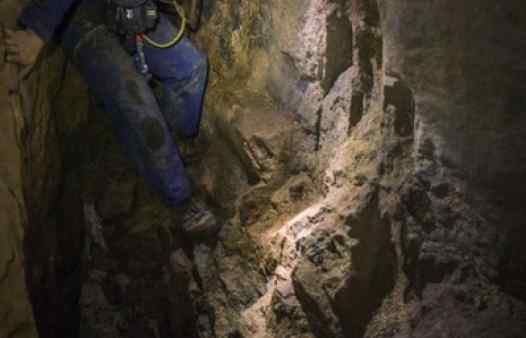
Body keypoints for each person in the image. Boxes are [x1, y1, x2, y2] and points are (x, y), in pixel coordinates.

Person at [5, 0, 219, 238]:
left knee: (191, 69)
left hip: (126, 9)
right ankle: (179, 201)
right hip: (79, 19)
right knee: (139, 107)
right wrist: (37, 31)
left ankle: (171, 144)